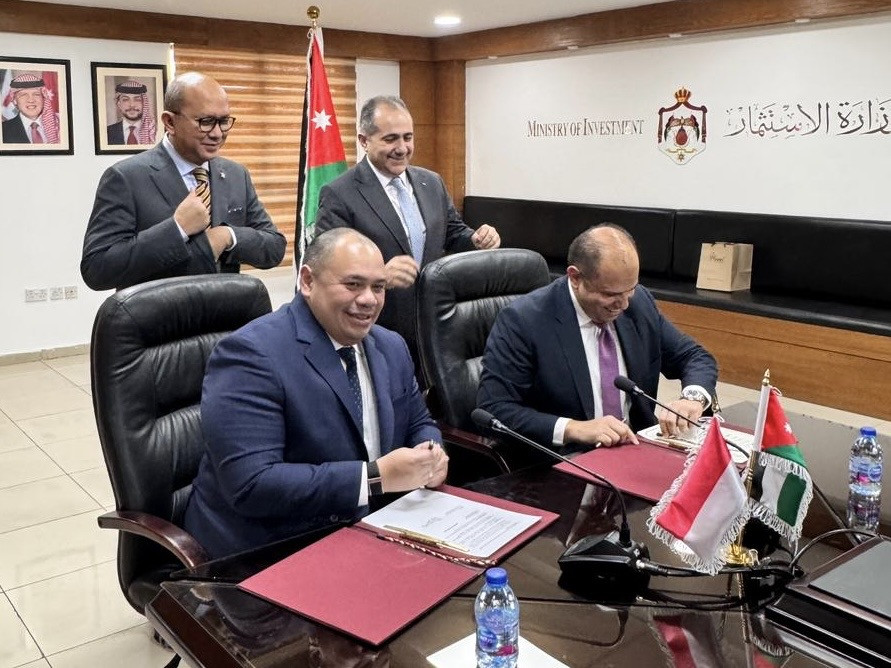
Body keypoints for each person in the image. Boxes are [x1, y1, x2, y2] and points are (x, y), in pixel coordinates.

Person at [183, 228, 449, 558]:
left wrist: (431, 452)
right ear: (307, 282)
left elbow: (419, 421)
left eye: (378, 287)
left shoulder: (390, 346)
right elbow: (251, 485)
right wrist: (374, 479)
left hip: (369, 532)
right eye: (353, 284)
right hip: (268, 549)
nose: (369, 299)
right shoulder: (250, 355)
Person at [478, 224, 718, 452]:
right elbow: (495, 408)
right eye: (610, 294)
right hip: (565, 460)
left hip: (636, 449)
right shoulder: (523, 320)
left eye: (630, 290)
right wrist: (574, 428)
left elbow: (693, 356)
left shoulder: (639, 303)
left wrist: (692, 399)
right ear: (575, 277)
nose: (624, 305)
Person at [314, 95, 501, 366]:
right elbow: (328, 265)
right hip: (378, 327)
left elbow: (453, 234)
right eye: (390, 139)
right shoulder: (340, 193)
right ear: (364, 141)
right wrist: (378, 277)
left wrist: (477, 239)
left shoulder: (431, 182)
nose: (402, 148)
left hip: (437, 323)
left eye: (408, 137)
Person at [80, 71, 286, 291]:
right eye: (205, 122)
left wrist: (227, 235)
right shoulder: (126, 178)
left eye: (224, 121)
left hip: (225, 317)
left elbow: (273, 247)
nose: (217, 133)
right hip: (159, 321)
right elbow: (97, 269)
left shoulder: (236, 175)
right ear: (170, 122)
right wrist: (177, 228)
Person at [1, 72, 60, 144]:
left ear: (43, 97)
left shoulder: (59, 125)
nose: (31, 100)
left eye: (36, 94)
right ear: (15, 100)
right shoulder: (3, 130)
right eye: (23, 95)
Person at [106, 79, 157, 145]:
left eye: (137, 99)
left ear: (144, 103)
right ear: (119, 104)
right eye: (126, 99)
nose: (132, 105)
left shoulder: (154, 131)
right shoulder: (107, 132)